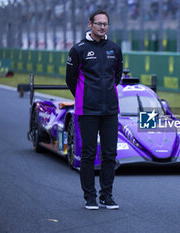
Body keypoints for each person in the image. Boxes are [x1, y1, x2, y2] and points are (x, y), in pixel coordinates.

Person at [66, 10, 123, 210]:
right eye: (98, 23)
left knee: (110, 154)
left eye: (105, 24)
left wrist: (105, 94)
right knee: (89, 154)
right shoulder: (78, 49)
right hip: (87, 110)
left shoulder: (114, 48)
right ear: (89, 24)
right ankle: (89, 197)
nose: (102, 27)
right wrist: (86, 96)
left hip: (110, 110)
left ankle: (106, 195)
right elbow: (70, 79)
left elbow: (117, 75)